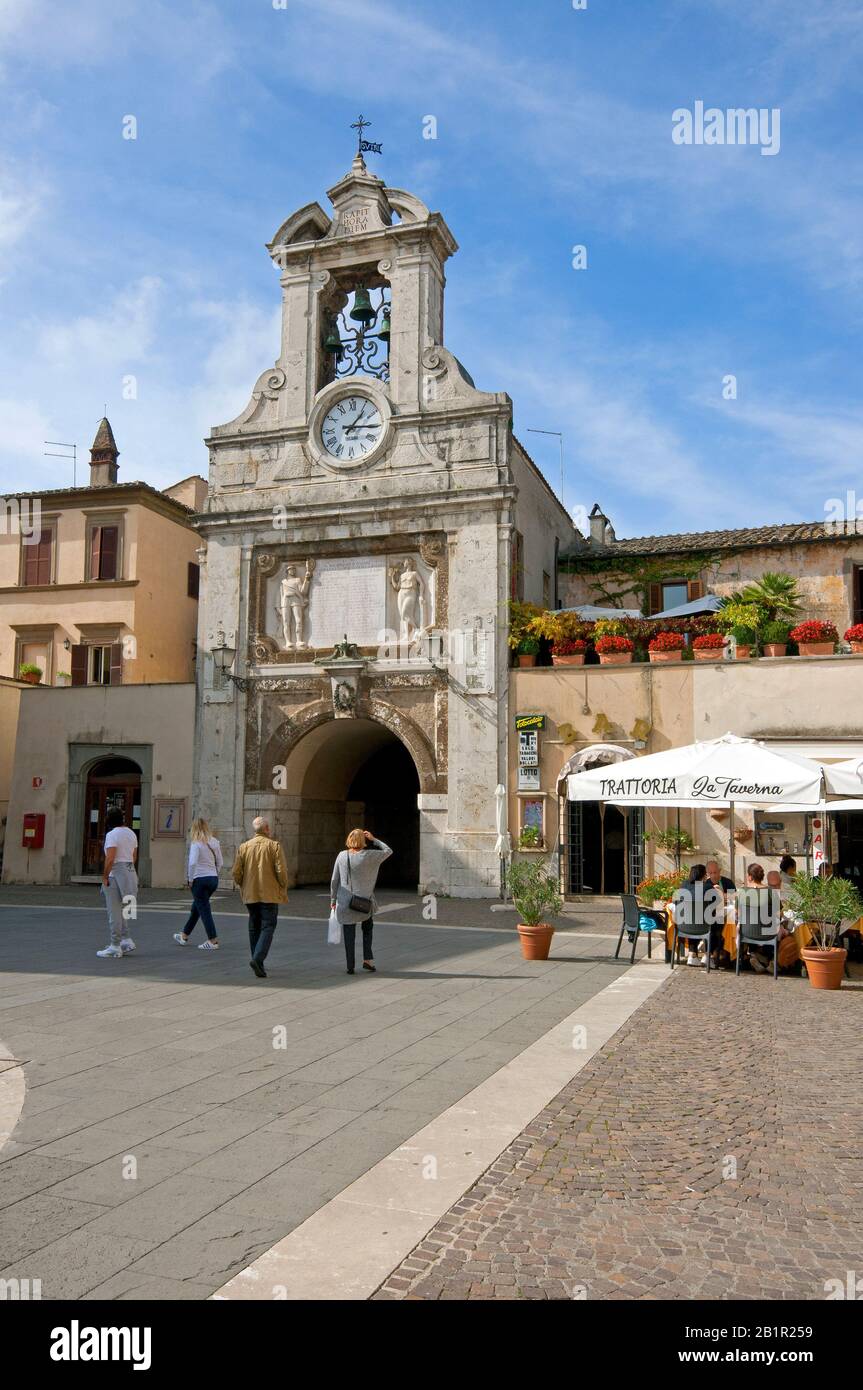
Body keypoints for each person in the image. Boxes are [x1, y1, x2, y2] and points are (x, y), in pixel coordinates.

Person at [232, 817, 288, 978]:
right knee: (268, 926)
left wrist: (243, 883)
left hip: (250, 893)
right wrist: (283, 885)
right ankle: (258, 959)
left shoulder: (244, 847)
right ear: (267, 828)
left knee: (253, 926)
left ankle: (257, 961)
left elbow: (236, 872)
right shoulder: (274, 846)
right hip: (269, 893)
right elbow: (281, 871)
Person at [330, 829, 392, 975]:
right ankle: (368, 960)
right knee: (368, 929)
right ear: (363, 841)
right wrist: (374, 838)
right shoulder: (369, 855)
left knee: (349, 933)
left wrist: (333, 899)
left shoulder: (341, 856)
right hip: (364, 902)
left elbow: (334, 880)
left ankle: (350, 965)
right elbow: (388, 851)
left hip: (345, 902)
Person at [174, 818, 223, 951]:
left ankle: (213, 940)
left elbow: (192, 863)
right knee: (197, 908)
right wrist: (214, 873)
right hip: (213, 879)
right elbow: (220, 862)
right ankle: (184, 935)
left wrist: (190, 879)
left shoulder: (196, 843)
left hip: (199, 879)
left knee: (204, 909)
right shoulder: (214, 842)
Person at [97, 807, 139, 959]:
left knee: (114, 911)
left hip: (116, 874)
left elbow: (110, 858)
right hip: (130, 873)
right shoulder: (131, 833)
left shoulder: (112, 835)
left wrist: (105, 876)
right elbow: (133, 856)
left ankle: (115, 945)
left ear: (109, 819)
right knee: (124, 910)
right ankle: (126, 940)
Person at [671, 863, 723, 966]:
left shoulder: (683, 885)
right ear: (704, 875)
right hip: (703, 927)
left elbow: (675, 901)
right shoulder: (707, 887)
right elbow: (717, 906)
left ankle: (692, 955)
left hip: (683, 926)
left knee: (692, 920)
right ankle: (707, 956)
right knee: (718, 926)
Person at [738, 863, 782, 973]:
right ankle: (771, 960)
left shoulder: (742, 893)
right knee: (782, 930)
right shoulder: (771, 892)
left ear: (749, 876)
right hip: (768, 933)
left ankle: (754, 955)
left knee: (750, 922)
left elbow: (738, 914)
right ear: (762, 876)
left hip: (747, 932)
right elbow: (779, 914)